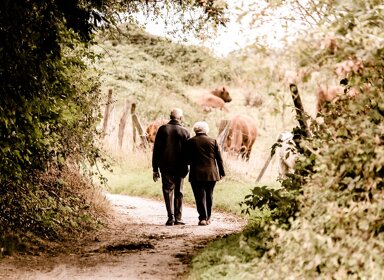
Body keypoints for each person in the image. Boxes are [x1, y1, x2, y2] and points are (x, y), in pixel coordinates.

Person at [152, 108, 190, 226]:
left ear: (170, 116)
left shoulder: (163, 129)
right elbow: (188, 152)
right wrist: (188, 165)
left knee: (167, 190)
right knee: (179, 191)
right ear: (181, 118)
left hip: (165, 166)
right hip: (181, 167)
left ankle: (170, 217)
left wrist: (155, 168)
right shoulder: (185, 132)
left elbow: (156, 150)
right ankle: (178, 218)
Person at [185, 121, 225, 226]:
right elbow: (219, 159)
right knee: (209, 195)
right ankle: (208, 218)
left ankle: (202, 218)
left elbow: (187, 159)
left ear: (195, 130)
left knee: (199, 196)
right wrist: (221, 173)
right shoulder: (213, 141)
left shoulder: (190, 142)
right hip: (211, 173)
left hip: (196, 173)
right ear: (206, 130)